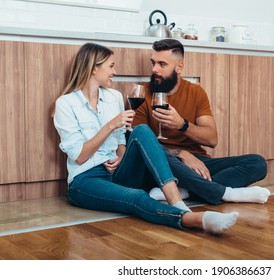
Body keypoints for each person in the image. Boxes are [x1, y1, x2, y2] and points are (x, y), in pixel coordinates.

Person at [53, 42, 239, 235]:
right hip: (86, 179)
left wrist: (120, 159)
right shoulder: (66, 104)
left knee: (141, 130)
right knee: (137, 197)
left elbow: (120, 143)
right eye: (110, 66)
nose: (114, 71)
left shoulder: (114, 97)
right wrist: (110, 125)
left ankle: (178, 203)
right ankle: (191, 219)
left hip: (116, 173)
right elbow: (79, 157)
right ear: (93, 68)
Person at [133, 39, 270, 205]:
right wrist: (181, 154)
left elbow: (211, 139)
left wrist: (182, 125)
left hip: (198, 162)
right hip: (162, 163)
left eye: (162, 64)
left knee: (257, 163)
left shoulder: (195, 92)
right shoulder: (141, 94)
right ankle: (224, 193)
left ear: (179, 66)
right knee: (160, 161)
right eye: (153, 63)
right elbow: (139, 145)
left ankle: (188, 190)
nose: (154, 69)